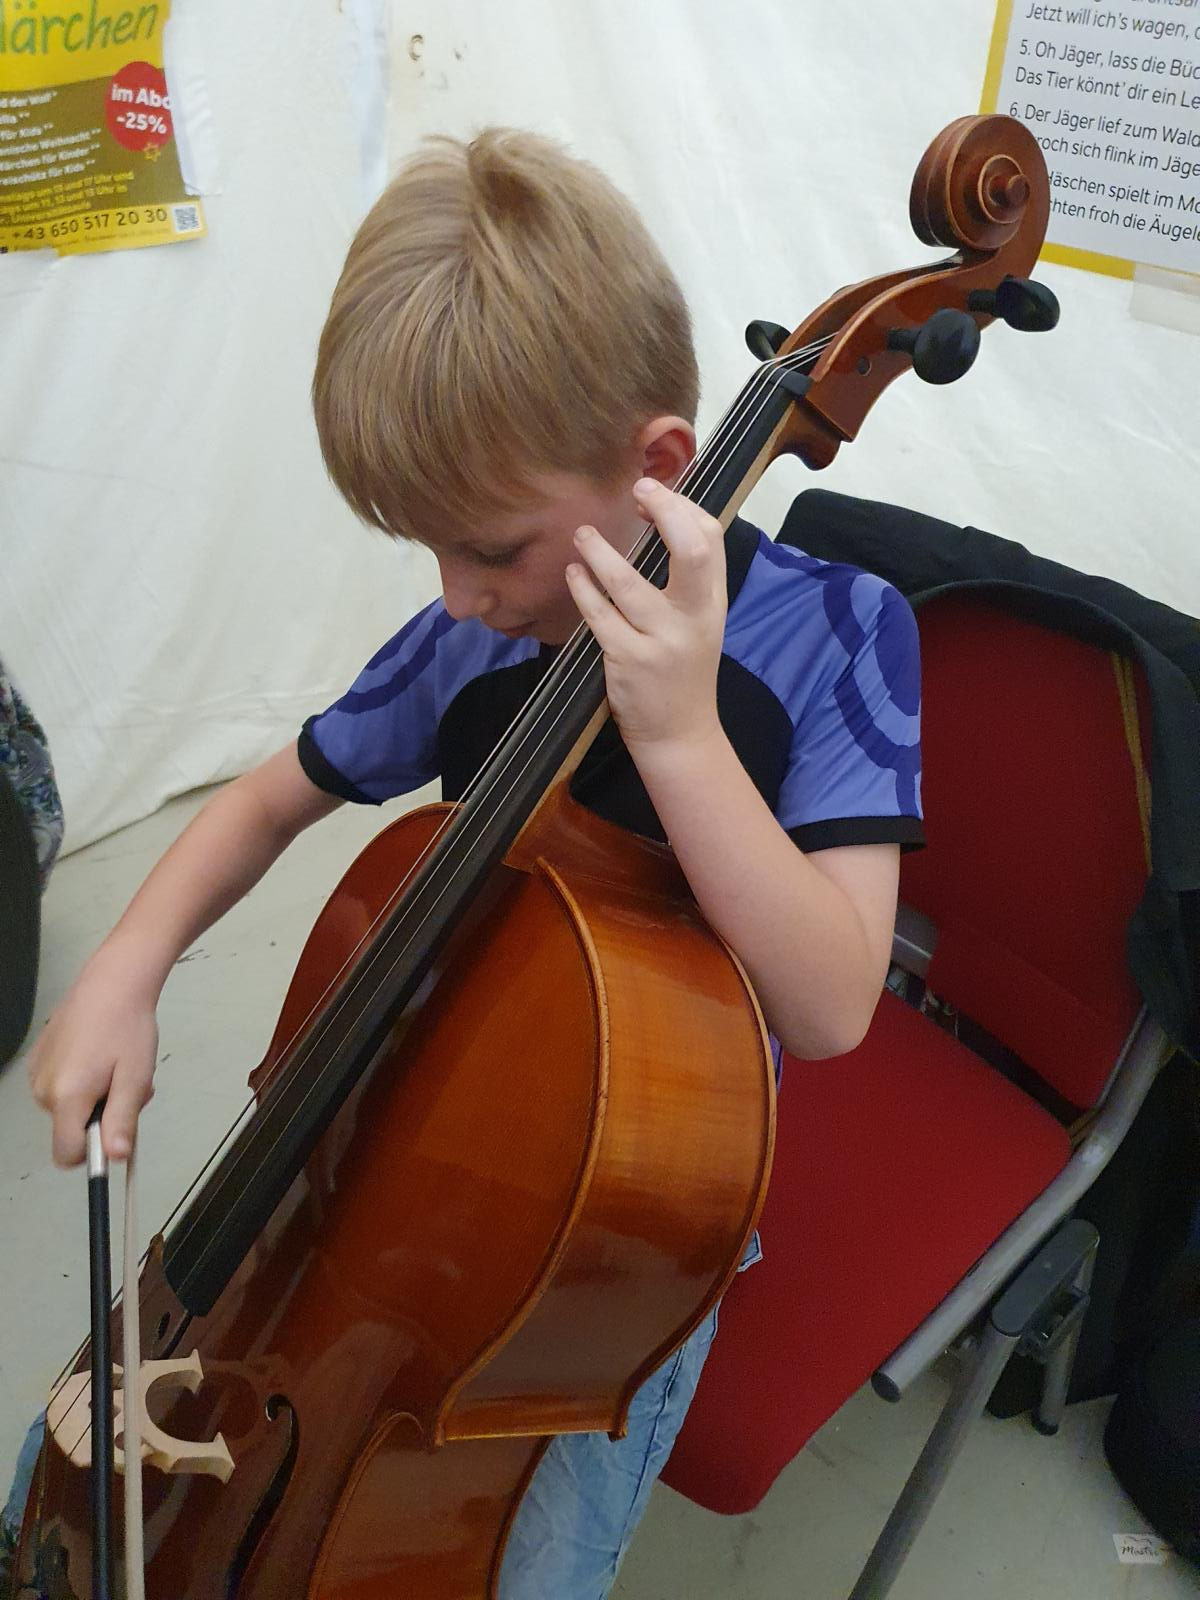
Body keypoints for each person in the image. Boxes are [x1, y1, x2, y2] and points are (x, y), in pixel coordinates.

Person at [18, 128, 924, 1596]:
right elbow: (271, 795)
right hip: (394, 1143)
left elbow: (829, 1005)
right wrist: (127, 964)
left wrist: (683, 738)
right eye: (425, 550)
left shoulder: (844, 636)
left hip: (597, 1257)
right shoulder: (473, 628)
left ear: (660, 470)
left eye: (488, 548)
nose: (457, 598)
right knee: (57, 1481)